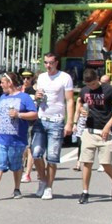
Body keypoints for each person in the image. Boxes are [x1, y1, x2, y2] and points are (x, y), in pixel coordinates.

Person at [0, 73, 38, 200]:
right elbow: (0, 116)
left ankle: (17, 189)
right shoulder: (2, 97)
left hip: (17, 139)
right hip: (2, 139)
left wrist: (19, 114)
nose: (0, 85)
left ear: (10, 83)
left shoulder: (24, 97)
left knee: (16, 165)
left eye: (2, 82)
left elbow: (34, 114)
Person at [74, 68, 112, 205]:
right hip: (89, 131)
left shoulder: (108, 90)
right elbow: (79, 102)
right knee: (87, 163)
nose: (92, 87)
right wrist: (81, 110)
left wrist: (108, 126)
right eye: (89, 85)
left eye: (94, 84)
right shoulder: (84, 90)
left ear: (98, 79)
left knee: (105, 163)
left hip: (104, 131)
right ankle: (85, 192)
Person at [31, 52, 74, 200]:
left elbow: (69, 100)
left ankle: (49, 187)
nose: (48, 66)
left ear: (56, 63)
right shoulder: (42, 77)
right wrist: (37, 97)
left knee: (52, 157)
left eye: (51, 63)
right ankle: (42, 180)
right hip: (41, 119)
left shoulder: (65, 78)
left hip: (56, 120)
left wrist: (69, 122)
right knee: (36, 152)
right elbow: (38, 97)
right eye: (46, 63)